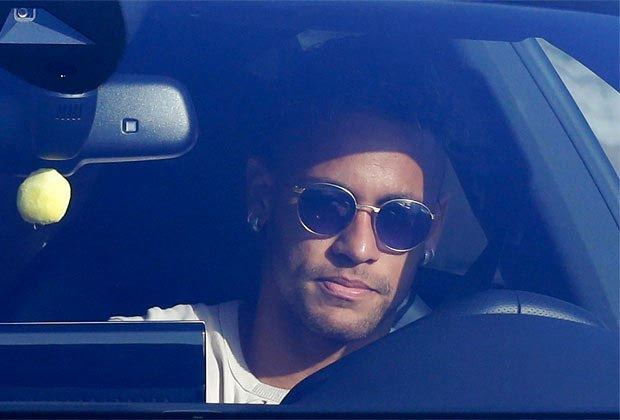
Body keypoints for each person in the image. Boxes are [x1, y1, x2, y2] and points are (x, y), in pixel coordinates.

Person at [111, 107, 448, 404]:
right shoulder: (140, 364)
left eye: (401, 218)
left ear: (434, 230)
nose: (358, 248)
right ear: (263, 196)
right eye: (326, 205)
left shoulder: (452, 392)